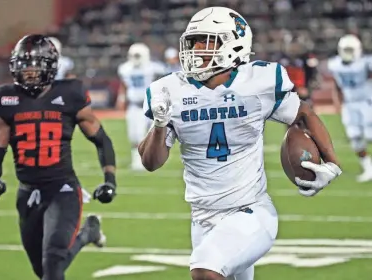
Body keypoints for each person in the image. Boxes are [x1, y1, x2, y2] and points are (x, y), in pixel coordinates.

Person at [139, 7, 342, 280]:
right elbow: (151, 163)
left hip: (250, 211)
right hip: (201, 218)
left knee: (205, 270)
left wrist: (332, 163)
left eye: (206, 42)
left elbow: (304, 114)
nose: (196, 50)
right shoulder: (169, 90)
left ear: (233, 43)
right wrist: (160, 123)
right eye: (193, 42)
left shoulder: (257, 82)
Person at [0, 34, 117, 280]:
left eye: (36, 66)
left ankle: (85, 233)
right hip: (28, 192)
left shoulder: (70, 94)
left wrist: (110, 180)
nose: (30, 72)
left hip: (63, 189)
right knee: (42, 270)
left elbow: (101, 140)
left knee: (53, 265)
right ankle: (87, 233)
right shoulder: (5, 100)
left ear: (51, 66)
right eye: (25, 66)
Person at [328, 34, 372, 183]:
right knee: (354, 138)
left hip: (367, 102)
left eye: (350, 49)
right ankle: (368, 168)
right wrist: (337, 104)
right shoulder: (335, 64)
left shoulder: (366, 62)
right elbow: (336, 86)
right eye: (345, 49)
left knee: (370, 135)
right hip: (349, 104)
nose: (348, 53)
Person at [116, 43, 166, 170]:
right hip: (133, 106)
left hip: (149, 106)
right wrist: (121, 98)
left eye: (138, 55)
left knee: (146, 136)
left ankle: (145, 160)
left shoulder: (153, 68)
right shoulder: (125, 68)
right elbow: (124, 85)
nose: (136, 57)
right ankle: (136, 161)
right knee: (133, 135)